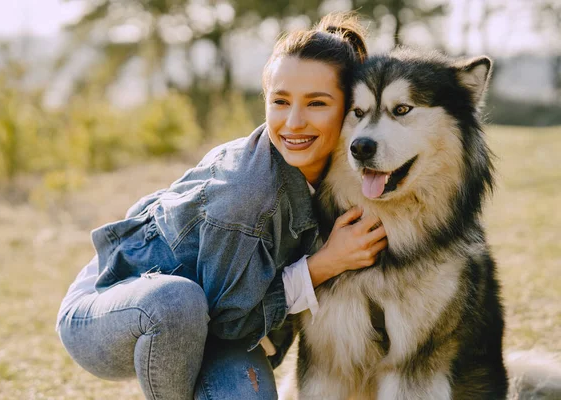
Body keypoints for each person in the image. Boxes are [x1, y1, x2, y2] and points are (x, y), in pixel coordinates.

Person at [56, 12, 387, 400]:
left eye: (317, 103)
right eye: (280, 101)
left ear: (350, 110)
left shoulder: (347, 171)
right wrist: (324, 264)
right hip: (117, 309)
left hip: (215, 327)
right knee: (177, 302)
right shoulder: (248, 192)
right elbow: (232, 321)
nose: (294, 122)